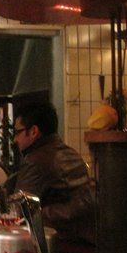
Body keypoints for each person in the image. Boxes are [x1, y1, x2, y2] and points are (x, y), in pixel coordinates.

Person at [11, 101, 95, 244]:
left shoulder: (35, 160)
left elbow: (18, 212)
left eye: (17, 132)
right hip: (84, 240)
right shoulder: (72, 153)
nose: (15, 139)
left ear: (33, 131)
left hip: (58, 244)